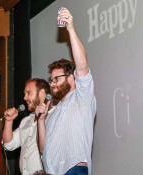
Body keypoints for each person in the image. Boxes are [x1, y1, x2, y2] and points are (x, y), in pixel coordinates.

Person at [37, 8, 97, 175]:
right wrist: (41, 121)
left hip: (74, 169)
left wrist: (70, 28)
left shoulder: (82, 98)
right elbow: (43, 149)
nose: (52, 84)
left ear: (71, 78)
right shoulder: (53, 113)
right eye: (51, 80)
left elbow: (82, 65)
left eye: (57, 79)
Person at [2, 78, 51, 175]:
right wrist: (9, 121)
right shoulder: (26, 121)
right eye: (25, 93)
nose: (24, 97)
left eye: (28, 93)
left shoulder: (53, 117)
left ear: (41, 93)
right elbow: (9, 145)